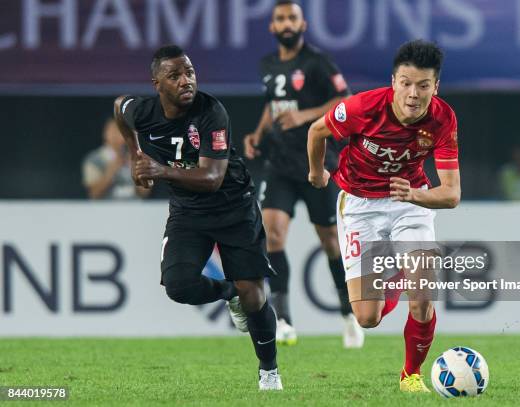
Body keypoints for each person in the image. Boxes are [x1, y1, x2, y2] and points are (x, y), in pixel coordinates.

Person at [113, 45, 282, 390]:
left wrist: (158, 169)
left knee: (256, 295)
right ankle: (229, 291)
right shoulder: (142, 111)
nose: (185, 80)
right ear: (157, 84)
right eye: (174, 75)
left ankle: (269, 371)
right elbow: (119, 107)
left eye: (189, 72)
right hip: (188, 215)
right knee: (178, 285)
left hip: (234, 208)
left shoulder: (211, 112)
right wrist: (135, 154)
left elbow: (211, 178)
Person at [307, 40, 461, 392]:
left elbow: (451, 194)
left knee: (422, 296)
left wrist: (416, 195)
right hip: (359, 203)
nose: (413, 93)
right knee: (367, 318)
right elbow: (317, 131)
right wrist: (317, 172)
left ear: (435, 87)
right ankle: (395, 279)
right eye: (406, 83)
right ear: (393, 81)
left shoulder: (442, 118)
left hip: (411, 201)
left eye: (423, 85)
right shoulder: (364, 107)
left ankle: (411, 375)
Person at [243, 0, 363, 348]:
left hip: (318, 164)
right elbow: (273, 105)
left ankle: (348, 314)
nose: (286, 23)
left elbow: (345, 99)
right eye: (280, 18)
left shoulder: (317, 62)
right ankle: (283, 319)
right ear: (272, 26)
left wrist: (303, 115)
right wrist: (258, 133)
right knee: (273, 234)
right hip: (279, 163)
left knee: (329, 241)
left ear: (303, 24)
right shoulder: (267, 64)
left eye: (292, 17)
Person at [82, 118, 150, 199]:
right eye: (112, 130)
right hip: (105, 209)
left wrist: (135, 169)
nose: (115, 135)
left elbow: (144, 193)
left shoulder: (138, 158)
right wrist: (111, 171)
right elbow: (94, 194)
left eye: (120, 131)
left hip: (134, 209)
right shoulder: (93, 159)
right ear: (105, 133)